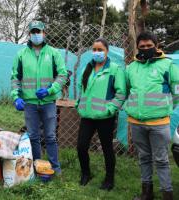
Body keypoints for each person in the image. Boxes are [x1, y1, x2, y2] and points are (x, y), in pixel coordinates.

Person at [125, 32, 179, 200]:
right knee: (144, 158)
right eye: (142, 46)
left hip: (159, 123)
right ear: (138, 48)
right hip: (136, 122)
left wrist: (165, 108)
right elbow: (127, 90)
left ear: (156, 46)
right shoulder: (131, 67)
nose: (146, 48)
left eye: (149, 46)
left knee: (162, 160)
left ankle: (167, 194)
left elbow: (177, 92)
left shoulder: (168, 65)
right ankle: (146, 194)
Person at [10, 20, 68, 174]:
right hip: (29, 103)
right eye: (33, 32)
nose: (36, 35)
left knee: (50, 136)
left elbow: (62, 75)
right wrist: (16, 97)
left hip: (48, 102)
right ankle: (36, 167)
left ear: (44, 33)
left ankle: (55, 167)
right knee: (33, 137)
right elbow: (15, 78)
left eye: (39, 32)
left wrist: (50, 90)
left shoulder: (53, 53)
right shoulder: (21, 55)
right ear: (29, 34)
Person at [75, 38, 126, 190]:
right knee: (81, 147)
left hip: (105, 117)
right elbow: (81, 89)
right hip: (87, 116)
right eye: (94, 49)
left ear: (107, 51)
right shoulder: (87, 68)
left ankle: (109, 179)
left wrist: (111, 109)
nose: (96, 52)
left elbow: (121, 94)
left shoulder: (115, 69)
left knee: (107, 148)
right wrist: (79, 104)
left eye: (100, 50)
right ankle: (86, 174)